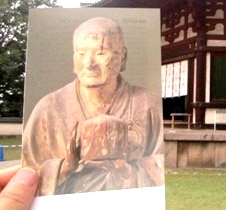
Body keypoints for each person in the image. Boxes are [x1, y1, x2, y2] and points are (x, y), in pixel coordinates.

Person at [22, 17, 164, 196]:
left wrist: (127, 169)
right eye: (81, 54)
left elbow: (163, 166)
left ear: (123, 56)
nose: (89, 63)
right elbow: (28, 171)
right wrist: (64, 169)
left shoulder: (149, 105)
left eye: (100, 53)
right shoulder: (49, 108)